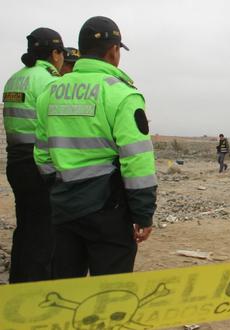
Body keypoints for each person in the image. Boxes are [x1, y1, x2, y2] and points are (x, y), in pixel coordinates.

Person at [34, 16, 157, 279]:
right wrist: (143, 214)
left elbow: (42, 153)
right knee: (110, 293)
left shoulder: (50, 92)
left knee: (65, 289)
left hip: (64, 207)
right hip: (108, 210)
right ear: (113, 51)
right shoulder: (122, 94)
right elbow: (136, 160)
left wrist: (57, 188)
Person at [3, 27, 64, 283]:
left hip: (15, 161)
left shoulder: (14, 79)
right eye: (61, 54)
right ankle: (37, 293)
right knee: (43, 231)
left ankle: (18, 281)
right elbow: (56, 128)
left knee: (25, 226)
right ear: (54, 53)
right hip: (38, 163)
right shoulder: (50, 82)